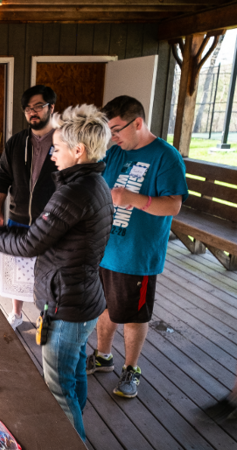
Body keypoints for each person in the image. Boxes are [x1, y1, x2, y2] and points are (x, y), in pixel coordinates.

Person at [0, 105, 114, 440]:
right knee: (76, 374)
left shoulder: (74, 192)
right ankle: (81, 442)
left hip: (67, 306)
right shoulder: (94, 183)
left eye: (58, 148)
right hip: (83, 301)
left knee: (59, 390)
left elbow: (30, 244)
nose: (53, 154)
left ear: (78, 151)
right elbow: (41, 235)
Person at [88, 96, 188, 399]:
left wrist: (133, 199)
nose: (113, 136)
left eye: (116, 130)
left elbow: (173, 205)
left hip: (137, 255)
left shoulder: (166, 157)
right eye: (109, 131)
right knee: (104, 307)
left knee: (134, 314)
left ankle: (131, 369)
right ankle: (103, 356)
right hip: (105, 249)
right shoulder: (115, 152)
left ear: (138, 123)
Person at [0, 85, 58, 330]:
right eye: (28, 108)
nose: (33, 112)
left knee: (47, 271)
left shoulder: (64, 141)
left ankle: (45, 317)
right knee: (17, 268)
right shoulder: (16, 142)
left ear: (52, 107)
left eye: (38, 106)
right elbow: (2, 177)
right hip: (18, 218)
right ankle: (17, 313)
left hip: (50, 221)